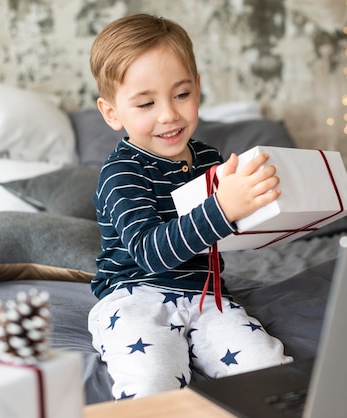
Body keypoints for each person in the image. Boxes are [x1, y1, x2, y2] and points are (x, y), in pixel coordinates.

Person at [87, 13, 292, 399]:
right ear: (112, 112)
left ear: (198, 89)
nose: (169, 115)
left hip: (208, 295)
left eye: (181, 95)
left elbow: (226, 229)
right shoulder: (121, 173)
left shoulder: (208, 159)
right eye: (146, 103)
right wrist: (223, 208)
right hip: (136, 296)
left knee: (269, 372)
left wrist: (257, 203)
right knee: (151, 384)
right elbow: (150, 252)